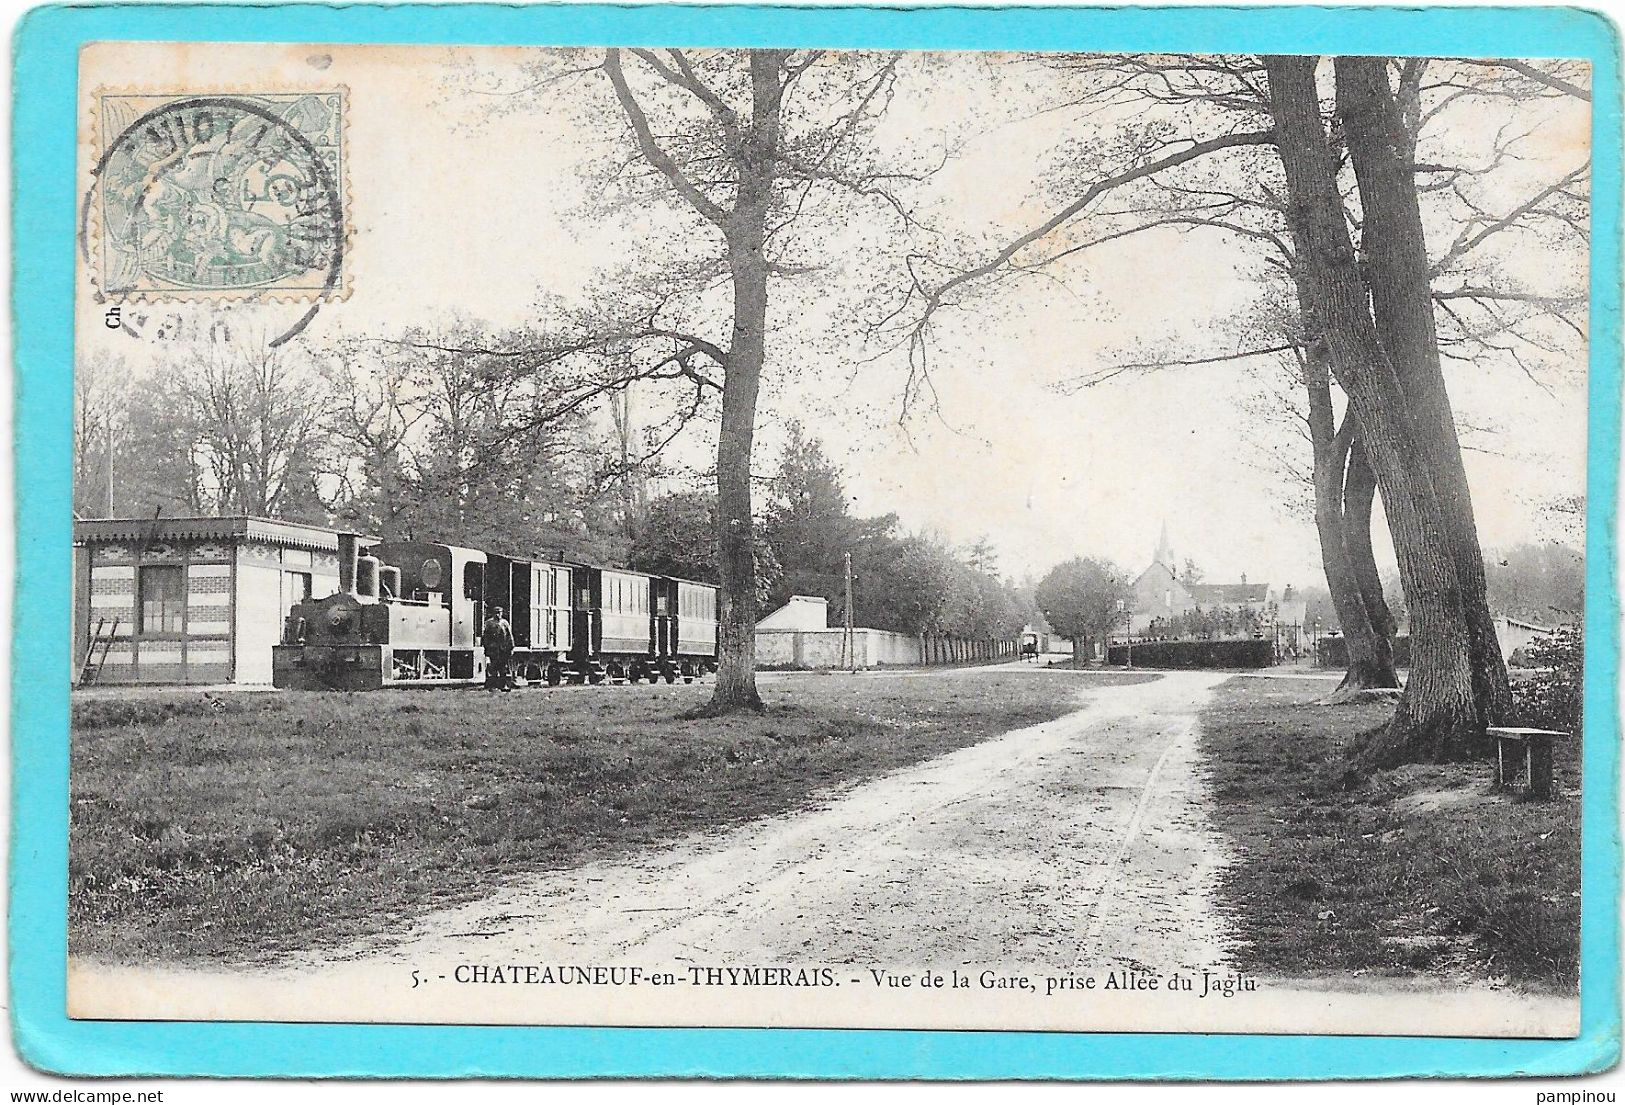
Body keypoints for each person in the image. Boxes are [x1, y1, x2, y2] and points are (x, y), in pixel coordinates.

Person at [482, 605, 515, 692]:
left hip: (503, 649)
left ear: (502, 613)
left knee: (503, 668)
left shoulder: (505, 623)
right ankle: (493, 686)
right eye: (496, 613)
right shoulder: (489, 623)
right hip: (493, 649)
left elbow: (509, 636)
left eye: (499, 613)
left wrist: (511, 647)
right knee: (493, 668)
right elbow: (485, 636)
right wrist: (486, 648)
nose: (498, 615)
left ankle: (503, 685)